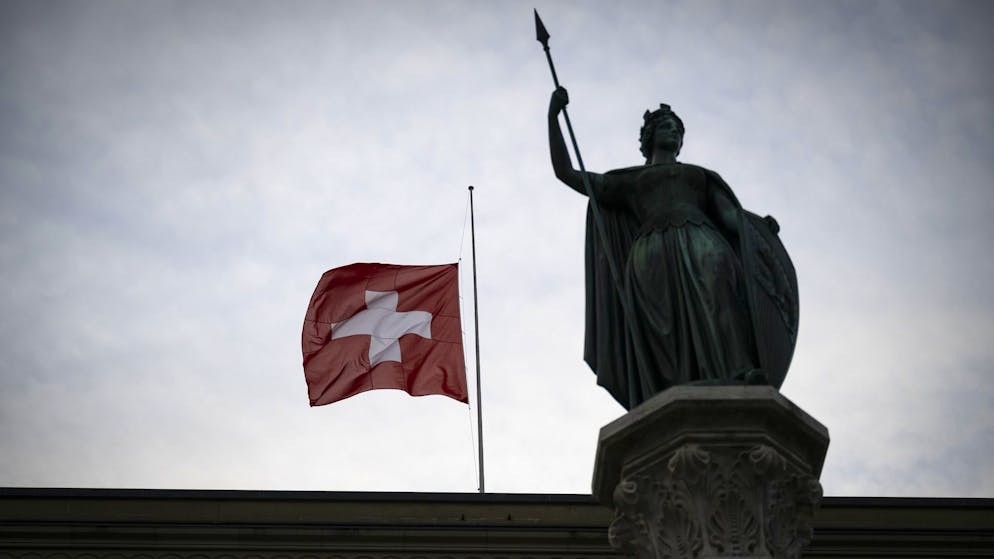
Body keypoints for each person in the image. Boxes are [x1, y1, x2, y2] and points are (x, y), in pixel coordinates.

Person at [548, 87, 780, 410]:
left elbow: (729, 216)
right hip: (651, 252)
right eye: (665, 125)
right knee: (663, 324)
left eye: (677, 128)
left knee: (720, 295)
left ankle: (736, 369)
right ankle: (670, 387)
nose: (672, 130)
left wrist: (756, 229)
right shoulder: (631, 181)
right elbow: (567, 174)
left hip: (702, 240)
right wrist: (553, 117)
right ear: (649, 136)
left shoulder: (699, 176)